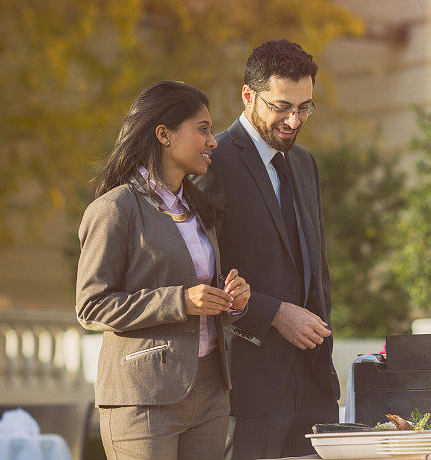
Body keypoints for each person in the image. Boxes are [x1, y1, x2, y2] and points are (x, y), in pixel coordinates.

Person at [76, 80, 251, 460]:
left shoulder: (200, 209)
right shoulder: (115, 209)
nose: (213, 141)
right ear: (164, 135)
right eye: (202, 129)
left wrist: (232, 299)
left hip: (210, 393)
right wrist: (180, 301)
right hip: (143, 398)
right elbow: (91, 306)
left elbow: (200, 291)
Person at [195, 40, 340, 459]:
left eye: (305, 107)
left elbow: (316, 272)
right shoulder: (212, 163)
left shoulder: (305, 164)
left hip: (314, 386)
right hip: (247, 386)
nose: (294, 120)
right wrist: (273, 313)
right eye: (281, 106)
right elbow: (196, 270)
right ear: (247, 96)